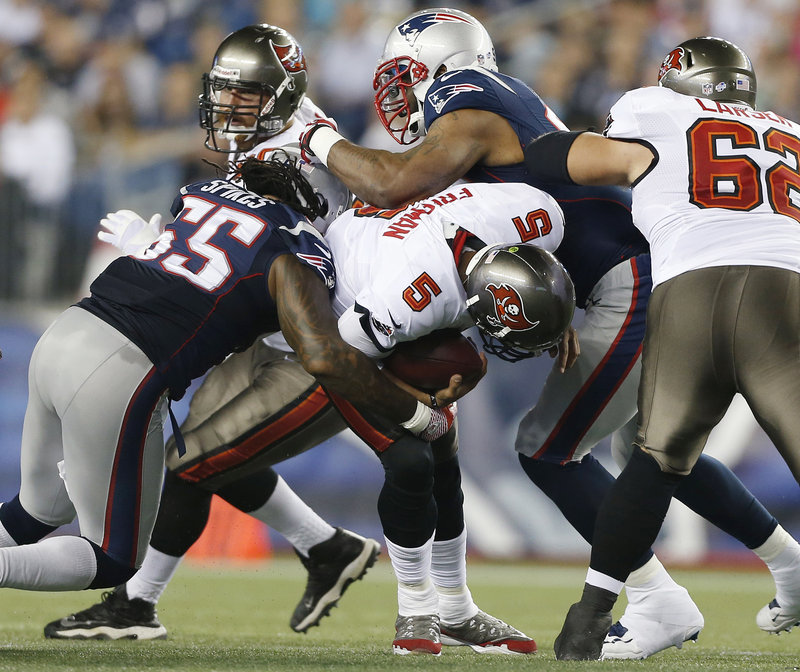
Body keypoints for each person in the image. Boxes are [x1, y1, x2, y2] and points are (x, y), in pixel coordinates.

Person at [299, 8, 800, 659]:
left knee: (547, 449)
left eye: (407, 77)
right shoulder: (506, 104)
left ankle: (655, 599)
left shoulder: (472, 96)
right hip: (618, 276)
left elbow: (396, 182)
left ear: (441, 68)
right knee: (645, 444)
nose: (399, 95)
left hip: (632, 280)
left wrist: (315, 139)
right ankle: (787, 566)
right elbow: (532, 202)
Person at [0, 155, 465, 615]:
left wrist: (148, 244)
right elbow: (322, 354)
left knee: (34, 511)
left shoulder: (202, 197)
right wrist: (416, 413)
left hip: (63, 336)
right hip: (120, 368)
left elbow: (195, 271)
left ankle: (320, 544)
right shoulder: (298, 252)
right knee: (112, 557)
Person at [44, 24, 376, 641]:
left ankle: (136, 604)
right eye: (221, 92)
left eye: (243, 95)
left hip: (319, 330)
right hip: (264, 320)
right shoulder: (255, 142)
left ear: (282, 95)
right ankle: (324, 548)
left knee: (194, 460)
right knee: (203, 454)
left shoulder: (307, 140)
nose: (226, 107)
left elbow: (325, 223)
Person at [522, 36, 800, 660]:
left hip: (696, 285)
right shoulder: (791, 130)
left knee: (656, 456)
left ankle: (589, 619)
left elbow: (567, 161)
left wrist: (557, 142)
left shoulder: (657, 108)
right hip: (789, 292)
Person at [322, 179, 574, 655]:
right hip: (345, 322)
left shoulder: (541, 216)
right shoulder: (412, 298)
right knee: (412, 460)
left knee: (445, 460)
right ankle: (416, 606)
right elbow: (338, 360)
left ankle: (457, 611)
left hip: (404, 254)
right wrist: (419, 409)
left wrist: (554, 312)